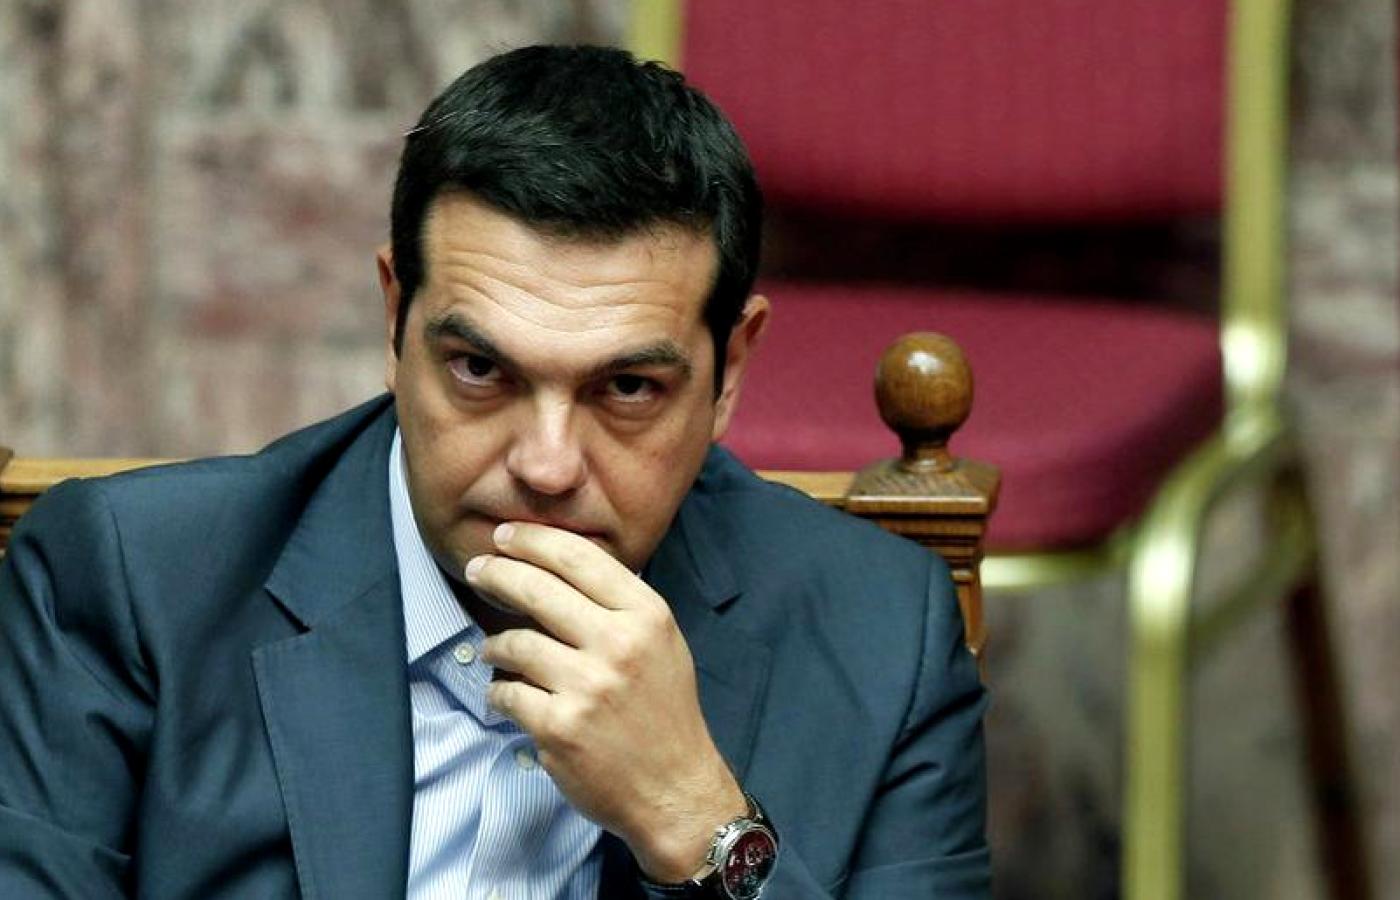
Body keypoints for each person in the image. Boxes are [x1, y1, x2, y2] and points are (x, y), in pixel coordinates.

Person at [0, 45, 988, 899]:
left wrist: (696, 821)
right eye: (480, 371)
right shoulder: (131, 585)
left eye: (627, 388)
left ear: (729, 369)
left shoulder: (880, 637)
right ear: (395, 317)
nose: (546, 467)